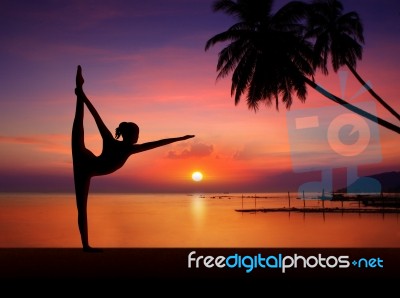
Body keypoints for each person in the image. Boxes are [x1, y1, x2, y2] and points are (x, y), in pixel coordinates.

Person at [72, 65, 194, 252]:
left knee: (79, 128)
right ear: (129, 135)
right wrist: (82, 96)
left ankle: (80, 91)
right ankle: (86, 246)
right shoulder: (117, 145)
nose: (138, 137)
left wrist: (179, 138)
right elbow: (96, 117)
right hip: (84, 166)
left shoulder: (128, 149)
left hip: (90, 163)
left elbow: (157, 143)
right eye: (136, 134)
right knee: (81, 207)